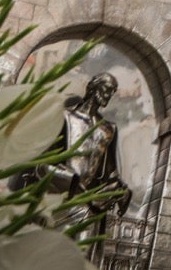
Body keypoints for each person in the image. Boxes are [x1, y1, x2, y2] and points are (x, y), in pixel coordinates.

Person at [42, 72, 132, 251]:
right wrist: (70, 182)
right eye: (107, 89)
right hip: (62, 198)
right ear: (93, 87)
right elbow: (43, 162)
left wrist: (121, 190)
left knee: (80, 257)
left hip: (90, 205)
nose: (108, 95)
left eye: (112, 92)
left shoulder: (108, 129)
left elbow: (110, 171)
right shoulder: (65, 118)